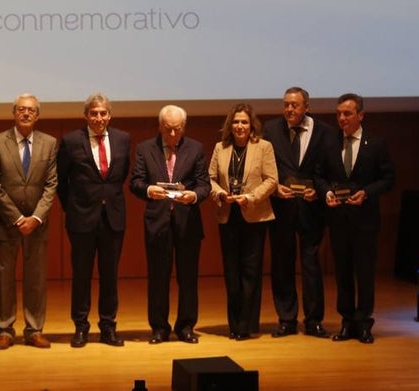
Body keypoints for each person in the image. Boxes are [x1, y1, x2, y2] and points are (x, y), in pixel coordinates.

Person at [317, 93, 395, 344]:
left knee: (365, 273)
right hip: (338, 219)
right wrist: (327, 192)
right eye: (339, 113)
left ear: (360, 115)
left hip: (365, 221)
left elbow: (388, 178)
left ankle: (364, 323)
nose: (341, 118)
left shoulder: (376, 144)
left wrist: (367, 193)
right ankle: (347, 322)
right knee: (343, 273)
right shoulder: (329, 143)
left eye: (347, 113)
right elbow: (319, 176)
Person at [129, 104, 210, 344]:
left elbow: (204, 184)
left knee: (188, 278)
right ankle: (159, 328)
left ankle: (186, 327)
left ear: (184, 127)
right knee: (158, 278)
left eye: (177, 129)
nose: (172, 134)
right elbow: (135, 182)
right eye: (167, 129)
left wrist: (193, 196)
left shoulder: (195, 148)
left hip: (188, 223)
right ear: (159, 126)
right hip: (158, 222)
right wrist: (148, 190)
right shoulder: (145, 148)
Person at [0, 93, 59, 349]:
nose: (26, 113)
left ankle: (34, 330)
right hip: (5, 222)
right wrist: (17, 218)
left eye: (31, 110)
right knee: (3, 279)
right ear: (14, 113)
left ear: (37, 115)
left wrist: (36, 217)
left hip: (37, 223)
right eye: (21, 109)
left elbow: (51, 184)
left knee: (36, 279)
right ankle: (5, 330)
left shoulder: (49, 143)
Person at [57, 93, 131, 348]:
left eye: (103, 113)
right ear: (86, 116)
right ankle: (81, 327)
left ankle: (108, 327)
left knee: (110, 276)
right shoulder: (70, 141)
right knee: (81, 275)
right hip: (81, 219)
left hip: (113, 218)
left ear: (110, 115)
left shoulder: (123, 139)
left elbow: (121, 175)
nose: (99, 118)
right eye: (94, 113)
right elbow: (62, 181)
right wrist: (73, 208)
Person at [262, 86, 332, 338]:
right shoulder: (271, 129)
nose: (289, 109)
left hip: (312, 209)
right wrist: (274, 188)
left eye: (294, 105)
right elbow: (264, 166)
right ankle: (286, 319)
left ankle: (314, 321)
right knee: (282, 264)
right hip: (282, 207)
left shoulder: (324, 132)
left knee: (311, 264)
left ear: (306, 107)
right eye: (286, 105)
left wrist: (319, 191)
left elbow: (329, 169)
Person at [209, 103, 277, 340]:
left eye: (244, 122)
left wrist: (251, 197)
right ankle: (234, 324)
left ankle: (246, 325)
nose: (240, 126)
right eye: (236, 122)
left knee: (251, 271)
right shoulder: (220, 147)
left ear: (252, 126)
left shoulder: (264, 147)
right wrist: (220, 194)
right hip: (228, 215)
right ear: (230, 125)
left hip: (254, 215)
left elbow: (272, 180)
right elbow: (210, 178)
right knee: (231, 272)